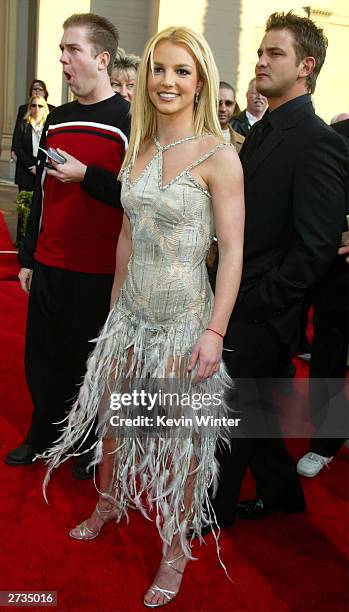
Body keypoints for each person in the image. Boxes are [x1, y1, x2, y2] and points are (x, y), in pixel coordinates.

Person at [38, 26, 244, 607]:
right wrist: (113, 309)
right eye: (158, 69)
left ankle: (175, 550)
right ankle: (109, 501)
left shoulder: (219, 156)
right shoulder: (140, 147)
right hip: (130, 314)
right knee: (113, 420)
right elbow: (127, 232)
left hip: (185, 321)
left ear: (199, 78)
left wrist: (214, 330)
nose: (167, 81)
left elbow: (232, 252)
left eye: (181, 70)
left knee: (179, 441)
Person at [208, 11, 347, 528]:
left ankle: (209, 513)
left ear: (306, 66)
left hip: (266, 311)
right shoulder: (265, 129)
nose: (261, 61)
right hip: (242, 296)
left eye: (275, 54)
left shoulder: (319, 143)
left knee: (228, 416)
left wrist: (257, 303)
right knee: (253, 415)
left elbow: (314, 248)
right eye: (260, 52)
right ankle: (282, 491)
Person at [5, 13, 130, 480]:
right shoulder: (56, 118)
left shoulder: (127, 121)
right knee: (43, 356)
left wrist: (87, 177)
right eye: (61, 49)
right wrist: (28, 255)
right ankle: (42, 435)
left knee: (87, 363)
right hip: (51, 260)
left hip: (99, 269)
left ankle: (84, 444)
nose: (62, 58)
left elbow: (136, 198)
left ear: (101, 59)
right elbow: (40, 193)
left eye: (71, 49)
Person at [297, 117, 349, 477]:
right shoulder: (338, 138)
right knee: (330, 354)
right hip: (340, 272)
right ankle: (327, 439)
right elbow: (319, 198)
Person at [12, 95, 50, 244]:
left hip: (41, 169)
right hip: (25, 169)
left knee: (39, 206)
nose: (36, 109)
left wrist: (39, 166)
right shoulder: (24, 124)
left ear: (45, 108)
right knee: (24, 208)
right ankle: (21, 240)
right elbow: (17, 147)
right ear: (29, 108)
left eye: (40, 106)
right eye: (33, 105)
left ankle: (37, 239)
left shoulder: (48, 124)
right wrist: (30, 166)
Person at [11, 80, 55, 162]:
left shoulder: (52, 109)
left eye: (40, 89)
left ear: (45, 93)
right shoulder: (23, 108)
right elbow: (18, 130)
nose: (37, 91)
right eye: (35, 89)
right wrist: (13, 149)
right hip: (27, 150)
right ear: (31, 92)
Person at [218, 81, 245, 152]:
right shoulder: (196, 138)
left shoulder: (243, 142)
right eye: (218, 103)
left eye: (228, 103)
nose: (223, 109)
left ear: (234, 105)